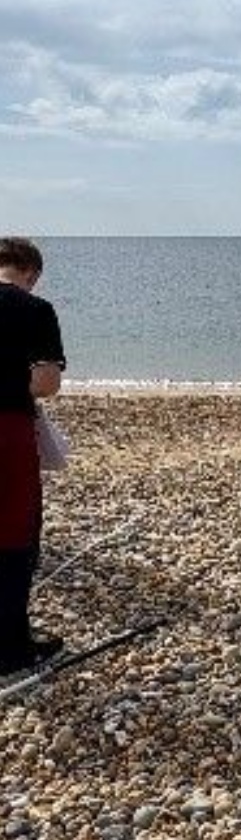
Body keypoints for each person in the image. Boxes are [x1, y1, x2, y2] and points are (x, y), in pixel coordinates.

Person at [0, 237, 66, 672]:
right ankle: (11, 649)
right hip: (7, 428)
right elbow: (45, 382)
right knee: (14, 534)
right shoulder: (34, 310)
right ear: (31, 272)